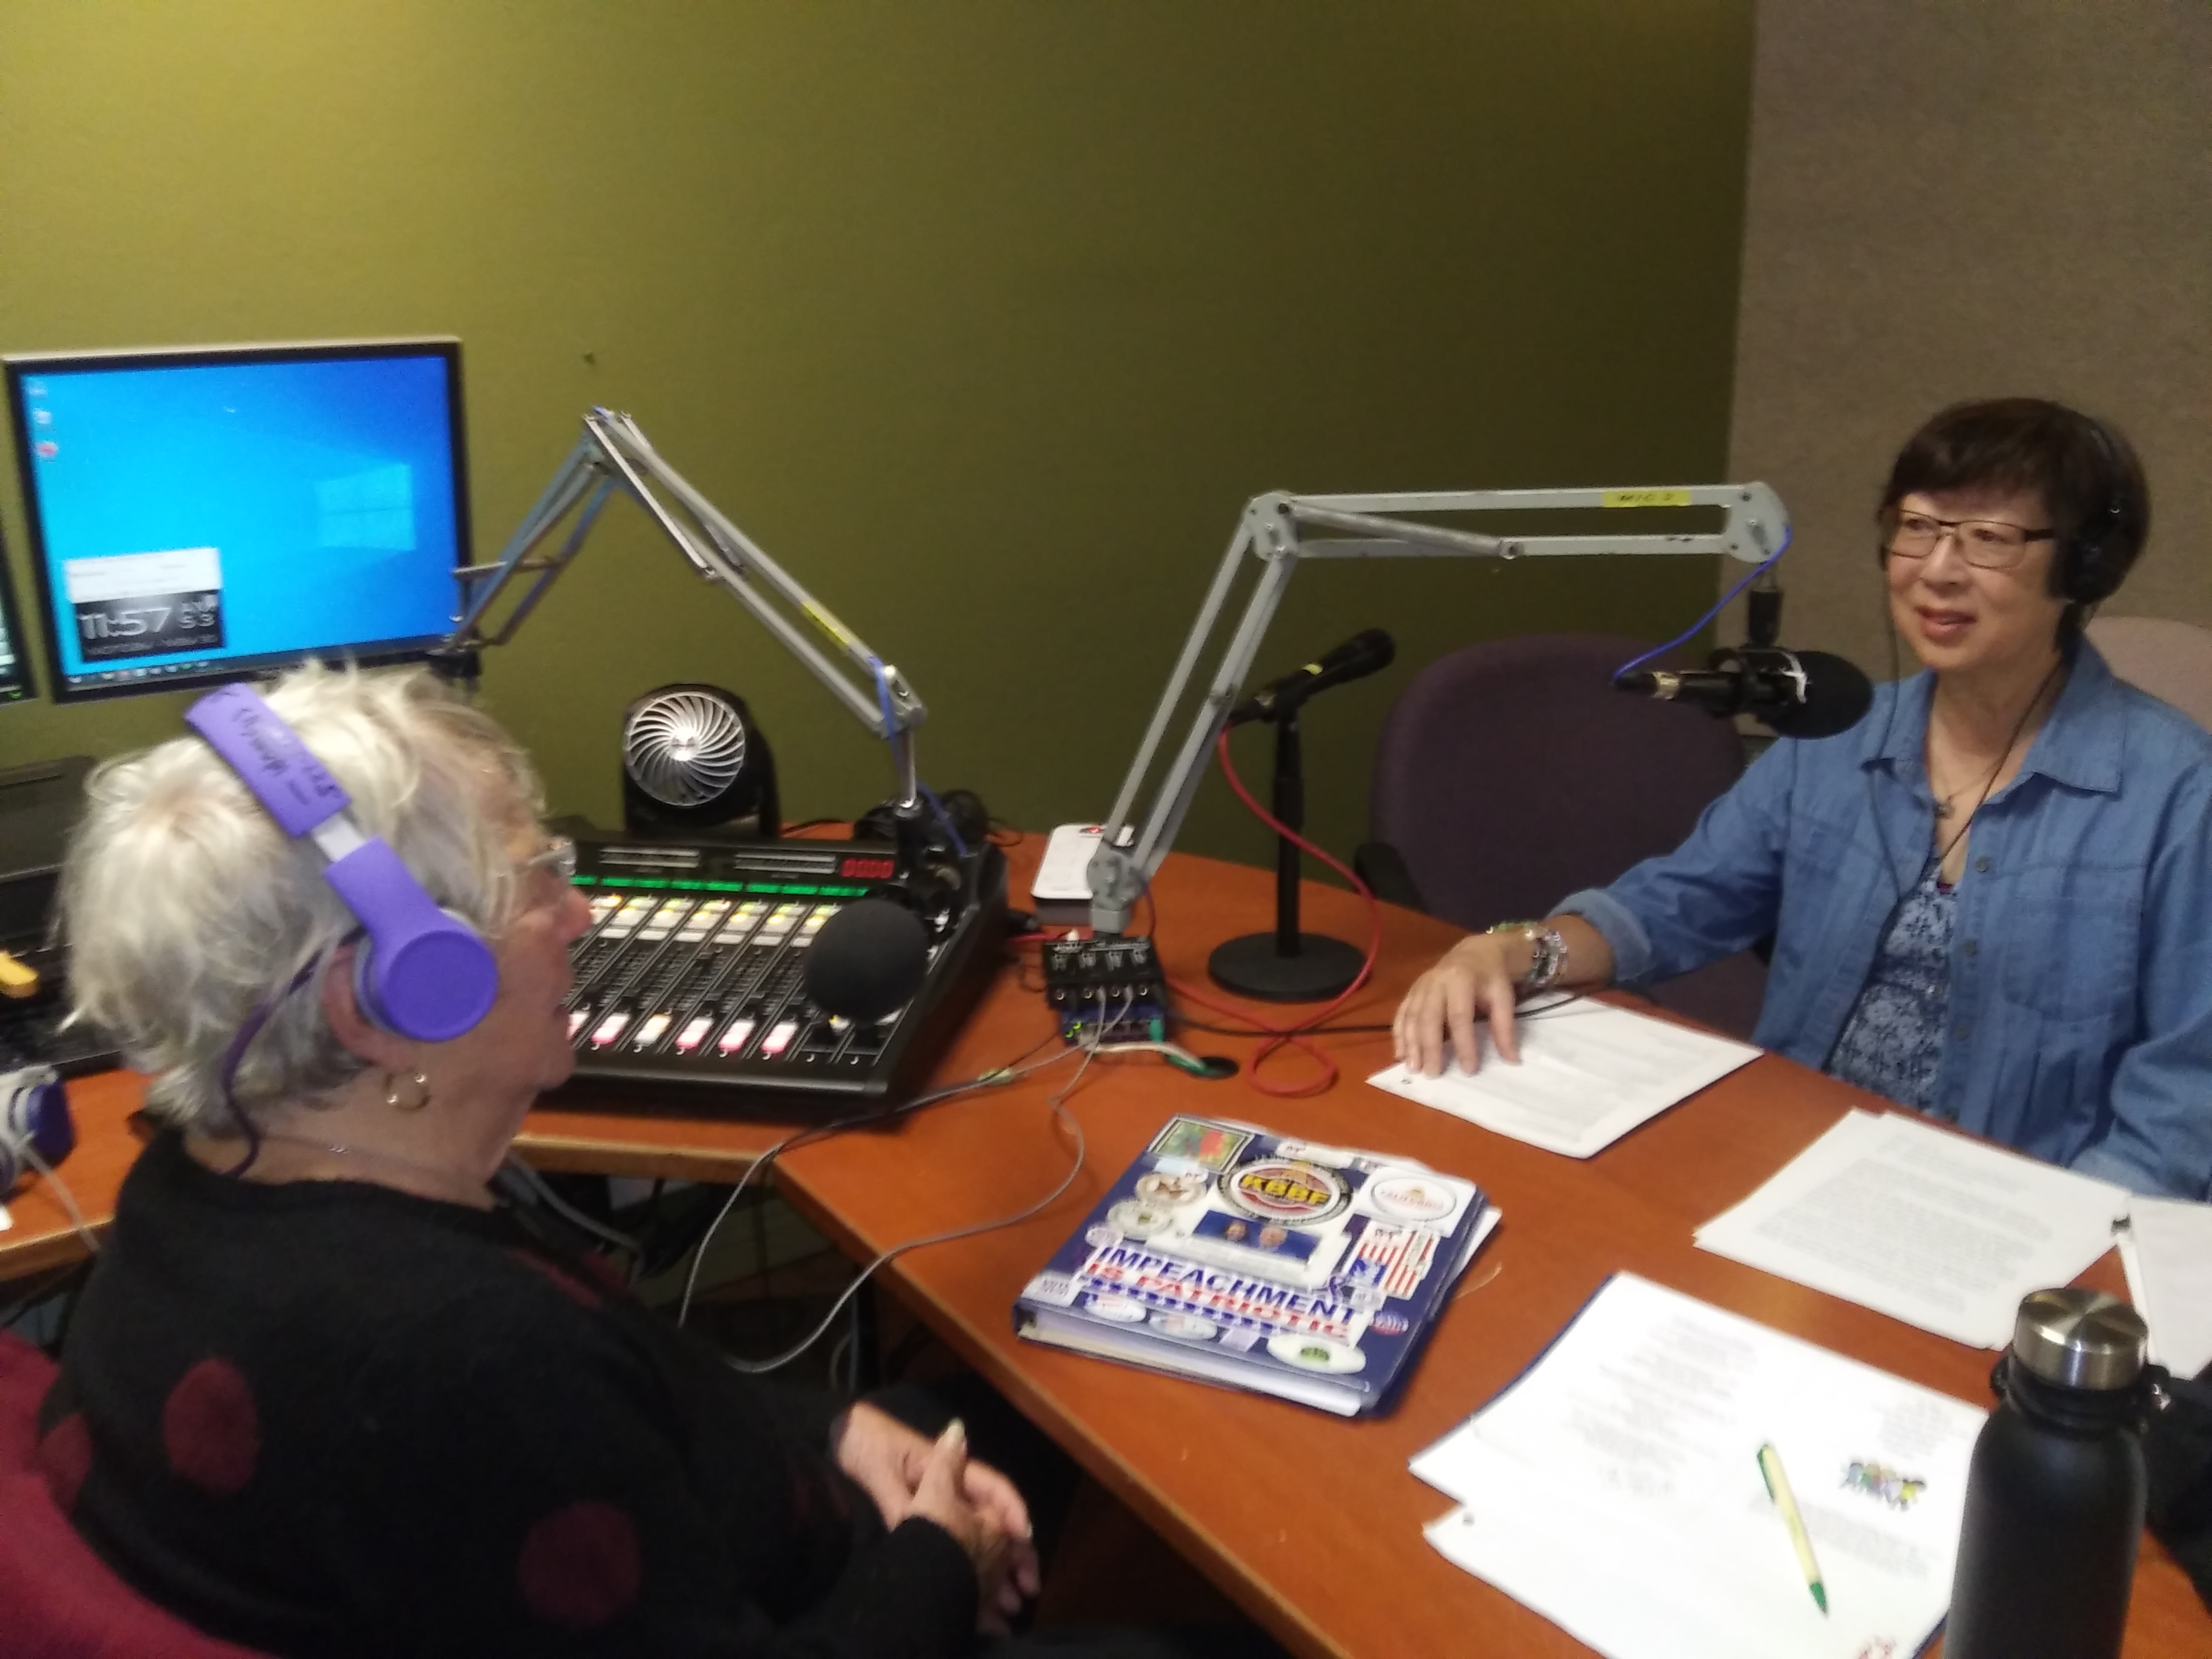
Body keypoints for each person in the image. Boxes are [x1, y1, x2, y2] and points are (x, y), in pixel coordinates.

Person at [36, 665, 1235, 1659]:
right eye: (536, 878)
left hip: (682, 1531)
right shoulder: (460, 1356)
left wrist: (829, 1431)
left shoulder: (187, 1186)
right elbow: (538, 1403)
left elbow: (632, 1402)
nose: (583, 914)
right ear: (394, 994)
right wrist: (935, 1563)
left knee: (1006, 1411)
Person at [1393, 398, 2212, 1200]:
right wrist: (1512, 950)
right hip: (1800, 1172)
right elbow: (1679, 902)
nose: (1937, 570)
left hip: (2020, 1211)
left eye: (1989, 540)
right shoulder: (1838, 736)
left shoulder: (2177, 792)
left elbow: (2182, 1101)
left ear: (2083, 568)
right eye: (1917, 526)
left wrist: (2069, 1272)